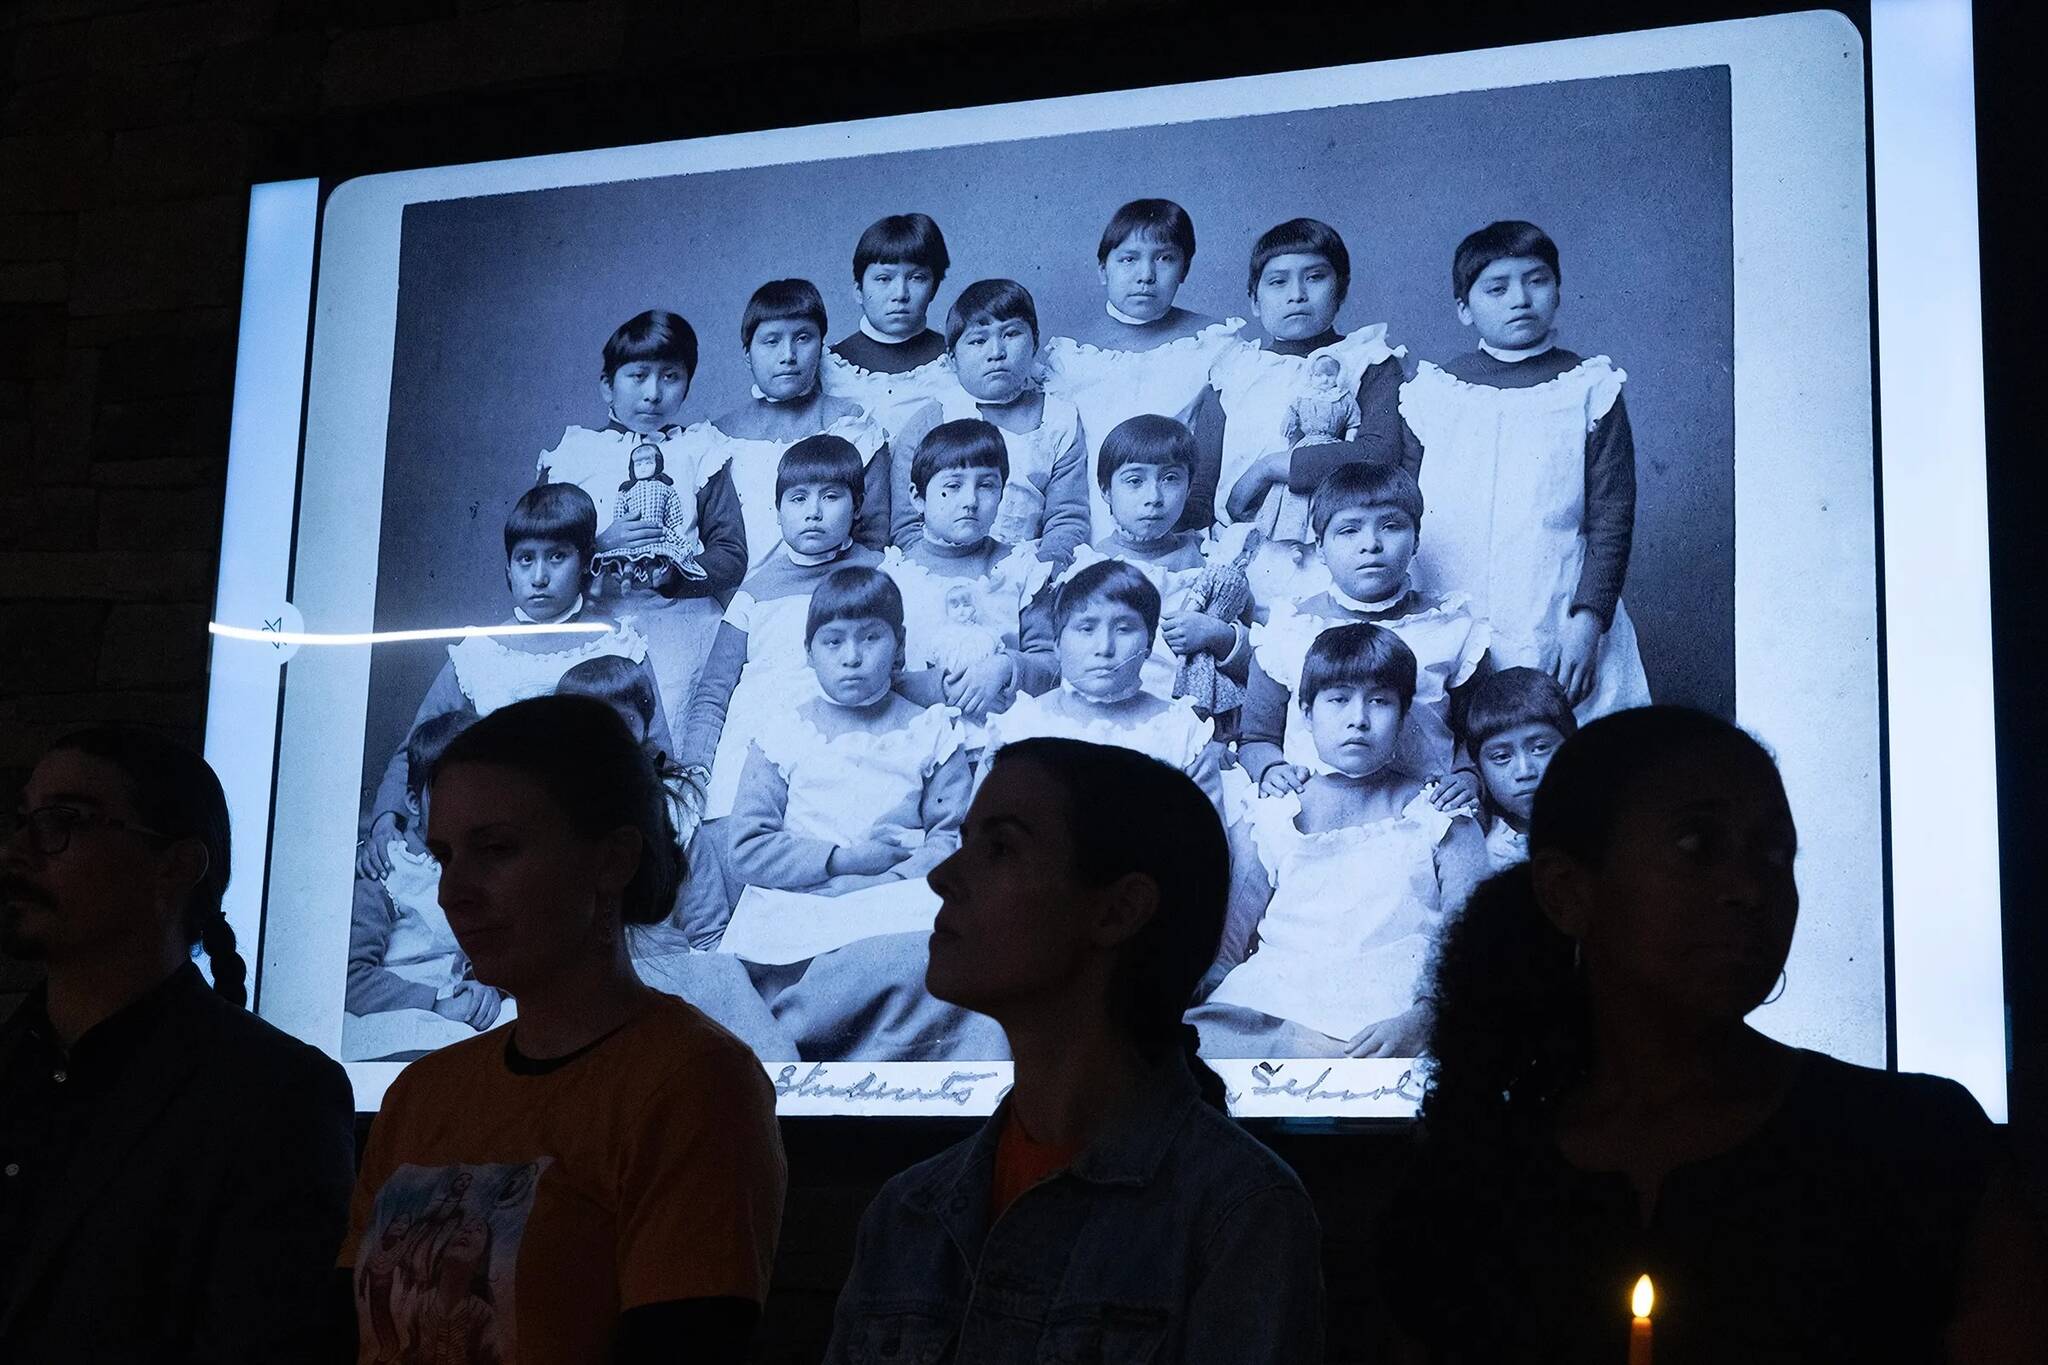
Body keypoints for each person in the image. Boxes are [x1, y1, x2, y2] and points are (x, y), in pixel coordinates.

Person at [1386, 706, 2047, 1362]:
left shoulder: (1920, 1144)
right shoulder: (1476, 1183)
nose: (1751, 888)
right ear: (1567, 892)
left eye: (1775, 853)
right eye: (1697, 846)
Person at [825, 738, 1324, 1364]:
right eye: (963, 841)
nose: (942, 877)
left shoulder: (1239, 1216)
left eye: (1000, 848)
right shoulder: (906, 1213)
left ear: (1118, 911)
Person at [340, 695, 788, 1365]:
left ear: (612, 861)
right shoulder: (418, 1095)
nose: (452, 891)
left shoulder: (694, 1084)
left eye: (495, 849)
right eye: (444, 855)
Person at [0, 727, 355, 1361]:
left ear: (176, 866)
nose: (16, 851)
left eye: (64, 820)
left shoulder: (276, 1096)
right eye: (24, 818)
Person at [722, 567, 995, 1062]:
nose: (852, 657)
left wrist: (886, 878)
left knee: (940, 954)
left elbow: (953, 836)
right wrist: (842, 861)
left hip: (898, 893)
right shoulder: (784, 734)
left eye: (871, 638)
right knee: (786, 979)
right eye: (833, 642)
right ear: (809, 652)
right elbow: (746, 847)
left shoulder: (929, 731)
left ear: (899, 645)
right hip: (804, 899)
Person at [1193, 624, 1486, 1060]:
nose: (1358, 719)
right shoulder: (1275, 811)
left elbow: (1471, 936)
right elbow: (1231, 942)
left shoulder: (1440, 813)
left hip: (1396, 1007)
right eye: (1338, 699)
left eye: (1380, 701)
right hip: (1281, 1002)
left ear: (1404, 716)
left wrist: (1427, 1016)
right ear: (1307, 714)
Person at [1400, 220, 1651, 720]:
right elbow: (1402, 507)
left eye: (1536, 281)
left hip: (1555, 605)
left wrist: (1588, 621)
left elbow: (1611, 517)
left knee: (1560, 737)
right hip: (1446, 604)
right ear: (1464, 309)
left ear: (1557, 291)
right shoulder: (1432, 393)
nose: (1519, 299)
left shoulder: (1589, 388)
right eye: (1497, 288)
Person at [362, 483, 676, 872]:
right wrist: (385, 819)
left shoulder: (618, 644)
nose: (539, 577)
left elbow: (658, 753)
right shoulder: (480, 653)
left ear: (585, 562)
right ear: (508, 569)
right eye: (526, 559)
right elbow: (417, 747)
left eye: (557, 557)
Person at [534, 311, 745, 725]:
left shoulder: (699, 451)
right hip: (592, 624)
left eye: (670, 377)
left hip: (680, 627)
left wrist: (673, 575)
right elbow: (537, 545)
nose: (653, 393)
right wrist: (599, 545)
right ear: (607, 386)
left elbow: (730, 552)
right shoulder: (573, 455)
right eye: (638, 376)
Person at [1237, 462, 1486, 807]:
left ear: (1415, 540)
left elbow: (1479, 735)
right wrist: (1270, 769)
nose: (1370, 544)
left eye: (1391, 526)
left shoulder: (1452, 627)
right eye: (1349, 530)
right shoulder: (1289, 629)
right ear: (1320, 547)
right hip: (1317, 812)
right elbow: (1256, 737)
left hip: (1423, 812)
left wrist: (1468, 776)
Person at [1211, 218, 1408, 605]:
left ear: (1341, 289)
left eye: (1315, 278)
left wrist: (1271, 467)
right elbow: (1203, 485)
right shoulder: (1233, 371)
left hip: (1341, 559)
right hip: (1242, 551)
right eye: (1278, 282)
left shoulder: (1368, 361)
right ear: (1254, 301)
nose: (1297, 295)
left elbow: (1380, 454)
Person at [1038, 198, 1245, 539]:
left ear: (1184, 269)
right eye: (1129, 259)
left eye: (1164, 259)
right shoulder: (1070, 355)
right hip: (1088, 527)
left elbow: (1225, 450)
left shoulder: (1213, 343)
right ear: (1103, 269)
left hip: (1178, 524)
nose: (1146, 276)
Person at [674, 279, 902, 579]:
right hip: (735, 597)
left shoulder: (855, 429)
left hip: (835, 591)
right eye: (771, 341)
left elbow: (872, 537)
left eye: (803, 338)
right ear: (748, 354)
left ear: (821, 346)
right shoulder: (713, 441)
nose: (788, 355)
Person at [984, 558, 1224, 810]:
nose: (1105, 648)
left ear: (1149, 644)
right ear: (1057, 644)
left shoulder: (1179, 732)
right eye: (1087, 629)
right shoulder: (1020, 727)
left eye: (1124, 629)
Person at [346, 707, 508, 1060]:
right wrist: (434, 1003)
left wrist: (484, 986)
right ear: (413, 802)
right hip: (398, 1012)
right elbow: (351, 977)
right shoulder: (388, 870)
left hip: (459, 1007)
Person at [1065, 413, 1254, 713]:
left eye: (1170, 479)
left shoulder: (1212, 562)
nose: (1153, 497)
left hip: (1199, 719)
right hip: (1116, 713)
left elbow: (1259, 666)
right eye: (1135, 481)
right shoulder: (1089, 571)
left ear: (1189, 487)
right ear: (1105, 490)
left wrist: (1218, 634)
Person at [882, 418, 1060, 732]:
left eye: (986, 485)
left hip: (1006, 731)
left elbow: (1052, 663)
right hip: (919, 733)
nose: (970, 501)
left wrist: (1006, 667)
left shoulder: (1021, 570)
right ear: (917, 497)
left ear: (1002, 494)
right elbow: (880, 675)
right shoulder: (894, 577)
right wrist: (940, 687)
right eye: (953, 486)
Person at [899, 278, 1091, 561]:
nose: (997, 353)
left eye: (1011, 334)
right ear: (952, 358)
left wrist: (1043, 573)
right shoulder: (933, 420)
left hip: (1028, 566)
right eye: (978, 340)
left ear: (1034, 342)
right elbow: (907, 523)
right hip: (940, 565)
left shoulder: (1059, 420)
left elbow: (1067, 518)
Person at [821, 213, 962, 439]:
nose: (900, 294)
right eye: (884, 279)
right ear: (858, 290)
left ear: (933, 288)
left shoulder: (958, 361)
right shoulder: (827, 367)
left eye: (917, 278)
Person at [1459, 664, 1575, 870]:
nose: (1525, 772)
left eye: (1540, 748)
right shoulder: (1486, 857)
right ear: (1480, 768)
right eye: (1502, 757)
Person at [588, 441, 706, 590]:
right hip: (632, 537)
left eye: (648, 463)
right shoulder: (626, 492)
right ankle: (626, 579)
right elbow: (620, 519)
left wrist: (679, 533)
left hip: (658, 534)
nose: (643, 468)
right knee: (629, 558)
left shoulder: (666, 490)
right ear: (632, 468)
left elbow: (673, 516)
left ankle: (655, 575)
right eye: (638, 464)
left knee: (655, 558)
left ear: (657, 464)